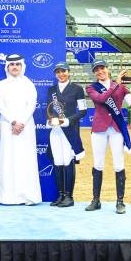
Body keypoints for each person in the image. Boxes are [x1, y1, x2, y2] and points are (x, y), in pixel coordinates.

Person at [85, 59, 131, 214]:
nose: (100, 71)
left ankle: (120, 201)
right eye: (97, 70)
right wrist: (115, 84)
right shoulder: (91, 87)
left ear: (107, 69)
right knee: (98, 163)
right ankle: (96, 200)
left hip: (116, 129)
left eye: (102, 68)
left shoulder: (121, 87)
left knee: (118, 163)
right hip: (99, 129)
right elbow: (101, 99)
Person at [0, 54, 42, 205]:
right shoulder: (1, 85)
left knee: (25, 159)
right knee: (7, 159)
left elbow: (31, 104)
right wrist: (13, 121)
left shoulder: (28, 84)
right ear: (7, 67)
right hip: (7, 125)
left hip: (25, 127)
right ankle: (8, 196)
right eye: (12, 64)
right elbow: (0, 106)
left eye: (17, 64)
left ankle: (27, 195)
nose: (14, 67)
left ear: (22, 66)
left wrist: (21, 122)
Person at [45, 62, 86, 208]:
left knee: (68, 161)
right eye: (58, 72)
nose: (61, 74)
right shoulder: (51, 90)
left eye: (63, 71)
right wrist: (50, 121)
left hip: (70, 131)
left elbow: (83, 111)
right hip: (55, 132)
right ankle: (60, 195)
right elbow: (49, 110)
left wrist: (67, 120)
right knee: (58, 162)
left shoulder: (77, 89)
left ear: (68, 72)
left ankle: (69, 196)